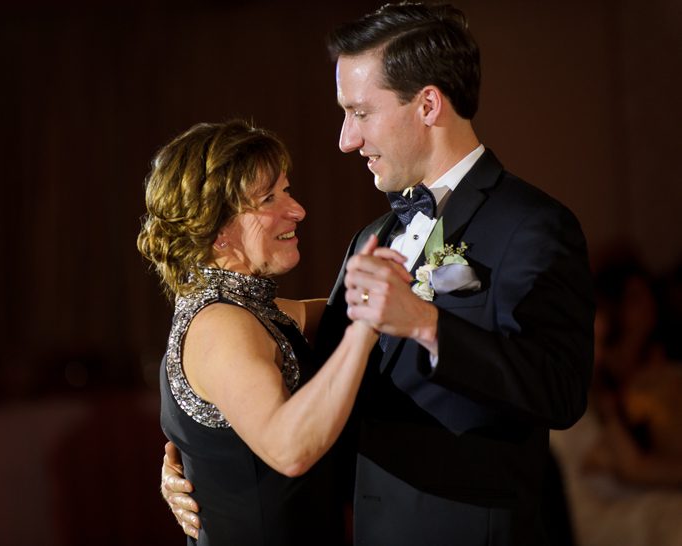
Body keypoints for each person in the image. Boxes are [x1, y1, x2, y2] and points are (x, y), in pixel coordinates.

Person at [160, 3, 595, 545]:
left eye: (360, 113)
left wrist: (430, 325)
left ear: (428, 105)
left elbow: (561, 392)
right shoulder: (375, 235)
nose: (346, 139)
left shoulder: (532, 225)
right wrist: (203, 459)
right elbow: (295, 352)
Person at [139, 119, 407, 545]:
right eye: (269, 198)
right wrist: (366, 326)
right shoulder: (222, 328)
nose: (296, 209)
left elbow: (330, 315)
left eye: (286, 190)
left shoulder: (250, 311)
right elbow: (290, 451)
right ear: (218, 231)